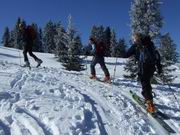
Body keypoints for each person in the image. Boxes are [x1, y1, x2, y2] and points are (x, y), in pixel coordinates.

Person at [125, 33, 162, 113]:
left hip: (143, 68)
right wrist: (159, 68)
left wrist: (132, 47)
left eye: (134, 38)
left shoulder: (137, 45)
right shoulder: (150, 43)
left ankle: (150, 104)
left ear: (136, 38)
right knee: (147, 83)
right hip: (152, 67)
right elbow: (157, 56)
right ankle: (148, 97)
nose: (133, 40)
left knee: (145, 84)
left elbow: (126, 54)